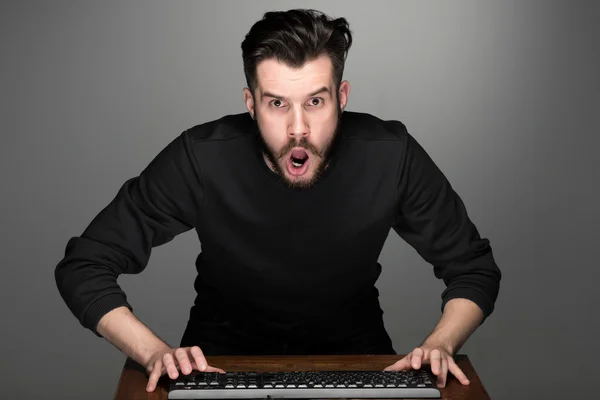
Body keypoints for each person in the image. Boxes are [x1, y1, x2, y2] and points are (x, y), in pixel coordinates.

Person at [54, 8, 501, 393]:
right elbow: (85, 266)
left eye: (315, 101)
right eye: (277, 104)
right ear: (251, 104)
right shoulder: (201, 156)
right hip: (218, 366)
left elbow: (472, 267)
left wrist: (440, 345)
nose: (298, 129)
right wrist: (154, 353)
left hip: (358, 363)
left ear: (341, 98)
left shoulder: (391, 153)